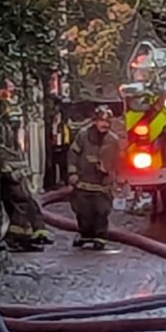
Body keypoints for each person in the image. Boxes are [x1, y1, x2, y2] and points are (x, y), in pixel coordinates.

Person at [68, 105, 122, 249]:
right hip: (82, 183)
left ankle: (100, 237)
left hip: (103, 185)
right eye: (101, 121)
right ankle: (85, 235)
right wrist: (72, 173)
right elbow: (73, 154)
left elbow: (118, 161)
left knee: (101, 211)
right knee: (83, 211)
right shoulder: (83, 135)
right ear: (94, 121)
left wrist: (118, 179)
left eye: (107, 122)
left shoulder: (113, 140)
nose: (105, 124)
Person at [0, 123, 53, 251]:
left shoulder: (13, 141)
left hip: (18, 178)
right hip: (10, 180)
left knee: (31, 204)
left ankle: (38, 233)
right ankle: (17, 237)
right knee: (21, 205)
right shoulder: (1, 145)